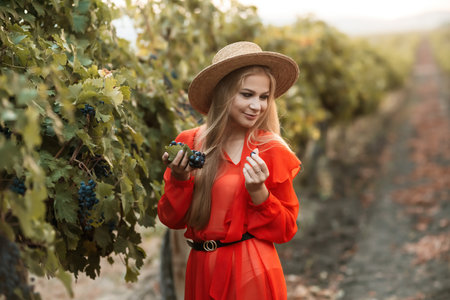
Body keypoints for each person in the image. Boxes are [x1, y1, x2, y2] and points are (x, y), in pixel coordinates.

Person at [158, 41, 301, 300]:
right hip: (201, 269)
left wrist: (259, 193)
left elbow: (286, 229)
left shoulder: (271, 149)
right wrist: (180, 179)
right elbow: (171, 219)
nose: (257, 106)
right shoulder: (190, 143)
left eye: (264, 97)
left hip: (250, 272)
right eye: (247, 94)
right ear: (223, 94)